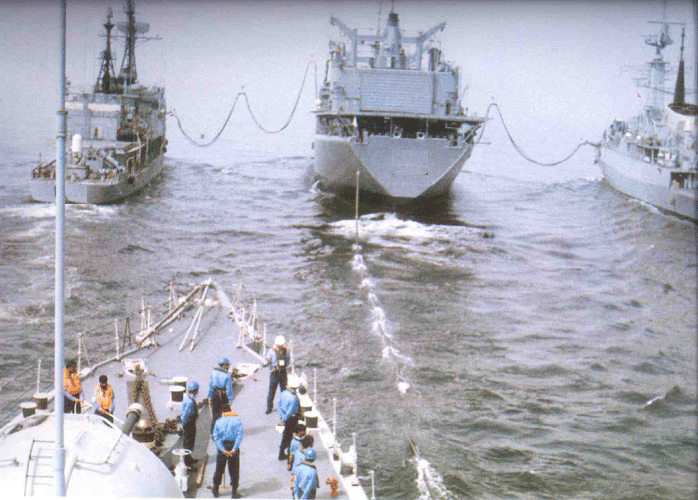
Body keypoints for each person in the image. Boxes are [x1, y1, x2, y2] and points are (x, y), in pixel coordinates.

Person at [212, 404, 243, 499]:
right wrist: (234, 449)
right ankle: (234, 492)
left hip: (223, 447)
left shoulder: (218, 422)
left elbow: (216, 437)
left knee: (219, 469)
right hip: (233, 446)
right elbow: (239, 436)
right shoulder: (237, 421)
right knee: (234, 470)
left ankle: (216, 490)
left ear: (222, 413)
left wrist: (223, 449)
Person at [278, 373, 300, 460]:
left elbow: (279, 405)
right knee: (290, 436)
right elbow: (290, 411)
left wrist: (282, 417)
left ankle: (281, 453)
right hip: (291, 419)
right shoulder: (293, 398)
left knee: (285, 436)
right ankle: (289, 453)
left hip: (283, 416)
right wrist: (285, 418)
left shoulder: (283, 393)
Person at [208, 357, 234, 433]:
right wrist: (230, 400)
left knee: (215, 414)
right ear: (225, 365)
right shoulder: (227, 375)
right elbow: (229, 389)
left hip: (215, 394)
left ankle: (213, 432)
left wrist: (209, 397)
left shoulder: (213, 372)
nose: (229, 366)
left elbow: (211, 385)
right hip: (223, 395)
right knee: (227, 412)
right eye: (228, 365)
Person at [263, 335, 288, 414]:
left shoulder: (286, 351)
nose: (280, 347)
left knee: (284, 391)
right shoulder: (271, 352)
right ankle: (269, 407)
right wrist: (267, 363)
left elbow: (288, 361)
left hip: (283, 372)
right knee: (272, 391)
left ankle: (285, 406)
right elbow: (267, 360)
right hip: (274, 373)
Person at [181, 380, 200, 469]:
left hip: (190, 422)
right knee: (188, 442)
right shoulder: (190, 402)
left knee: (190, 441)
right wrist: (184, 424)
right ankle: (187, 463)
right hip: (189, 423)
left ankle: (189, 458)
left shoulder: (188, 397)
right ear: (195, 390)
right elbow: (185, 414)